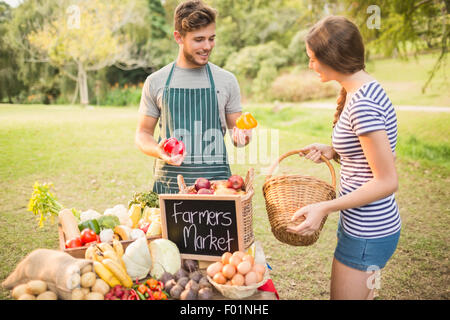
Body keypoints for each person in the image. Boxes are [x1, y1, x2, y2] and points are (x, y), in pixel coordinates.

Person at [287, 16, 401, 300]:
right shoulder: (365, 89)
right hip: (366, 226)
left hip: (368, 231)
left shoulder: (362, 103)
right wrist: (333, 151)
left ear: (333, 57)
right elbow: (372, 155)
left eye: (313, 59)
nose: (310, 66)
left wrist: (324, 207)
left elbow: (387, 181)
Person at [135, 0, 252, 194]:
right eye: (199, 40)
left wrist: (244, 136)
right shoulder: (156, 81)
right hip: (170, 188)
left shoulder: (227, 81)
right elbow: (142, 134)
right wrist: (159, 151)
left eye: (211, 38)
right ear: (178, 37)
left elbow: (237, 136)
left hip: (217, 189)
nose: (207, 46)